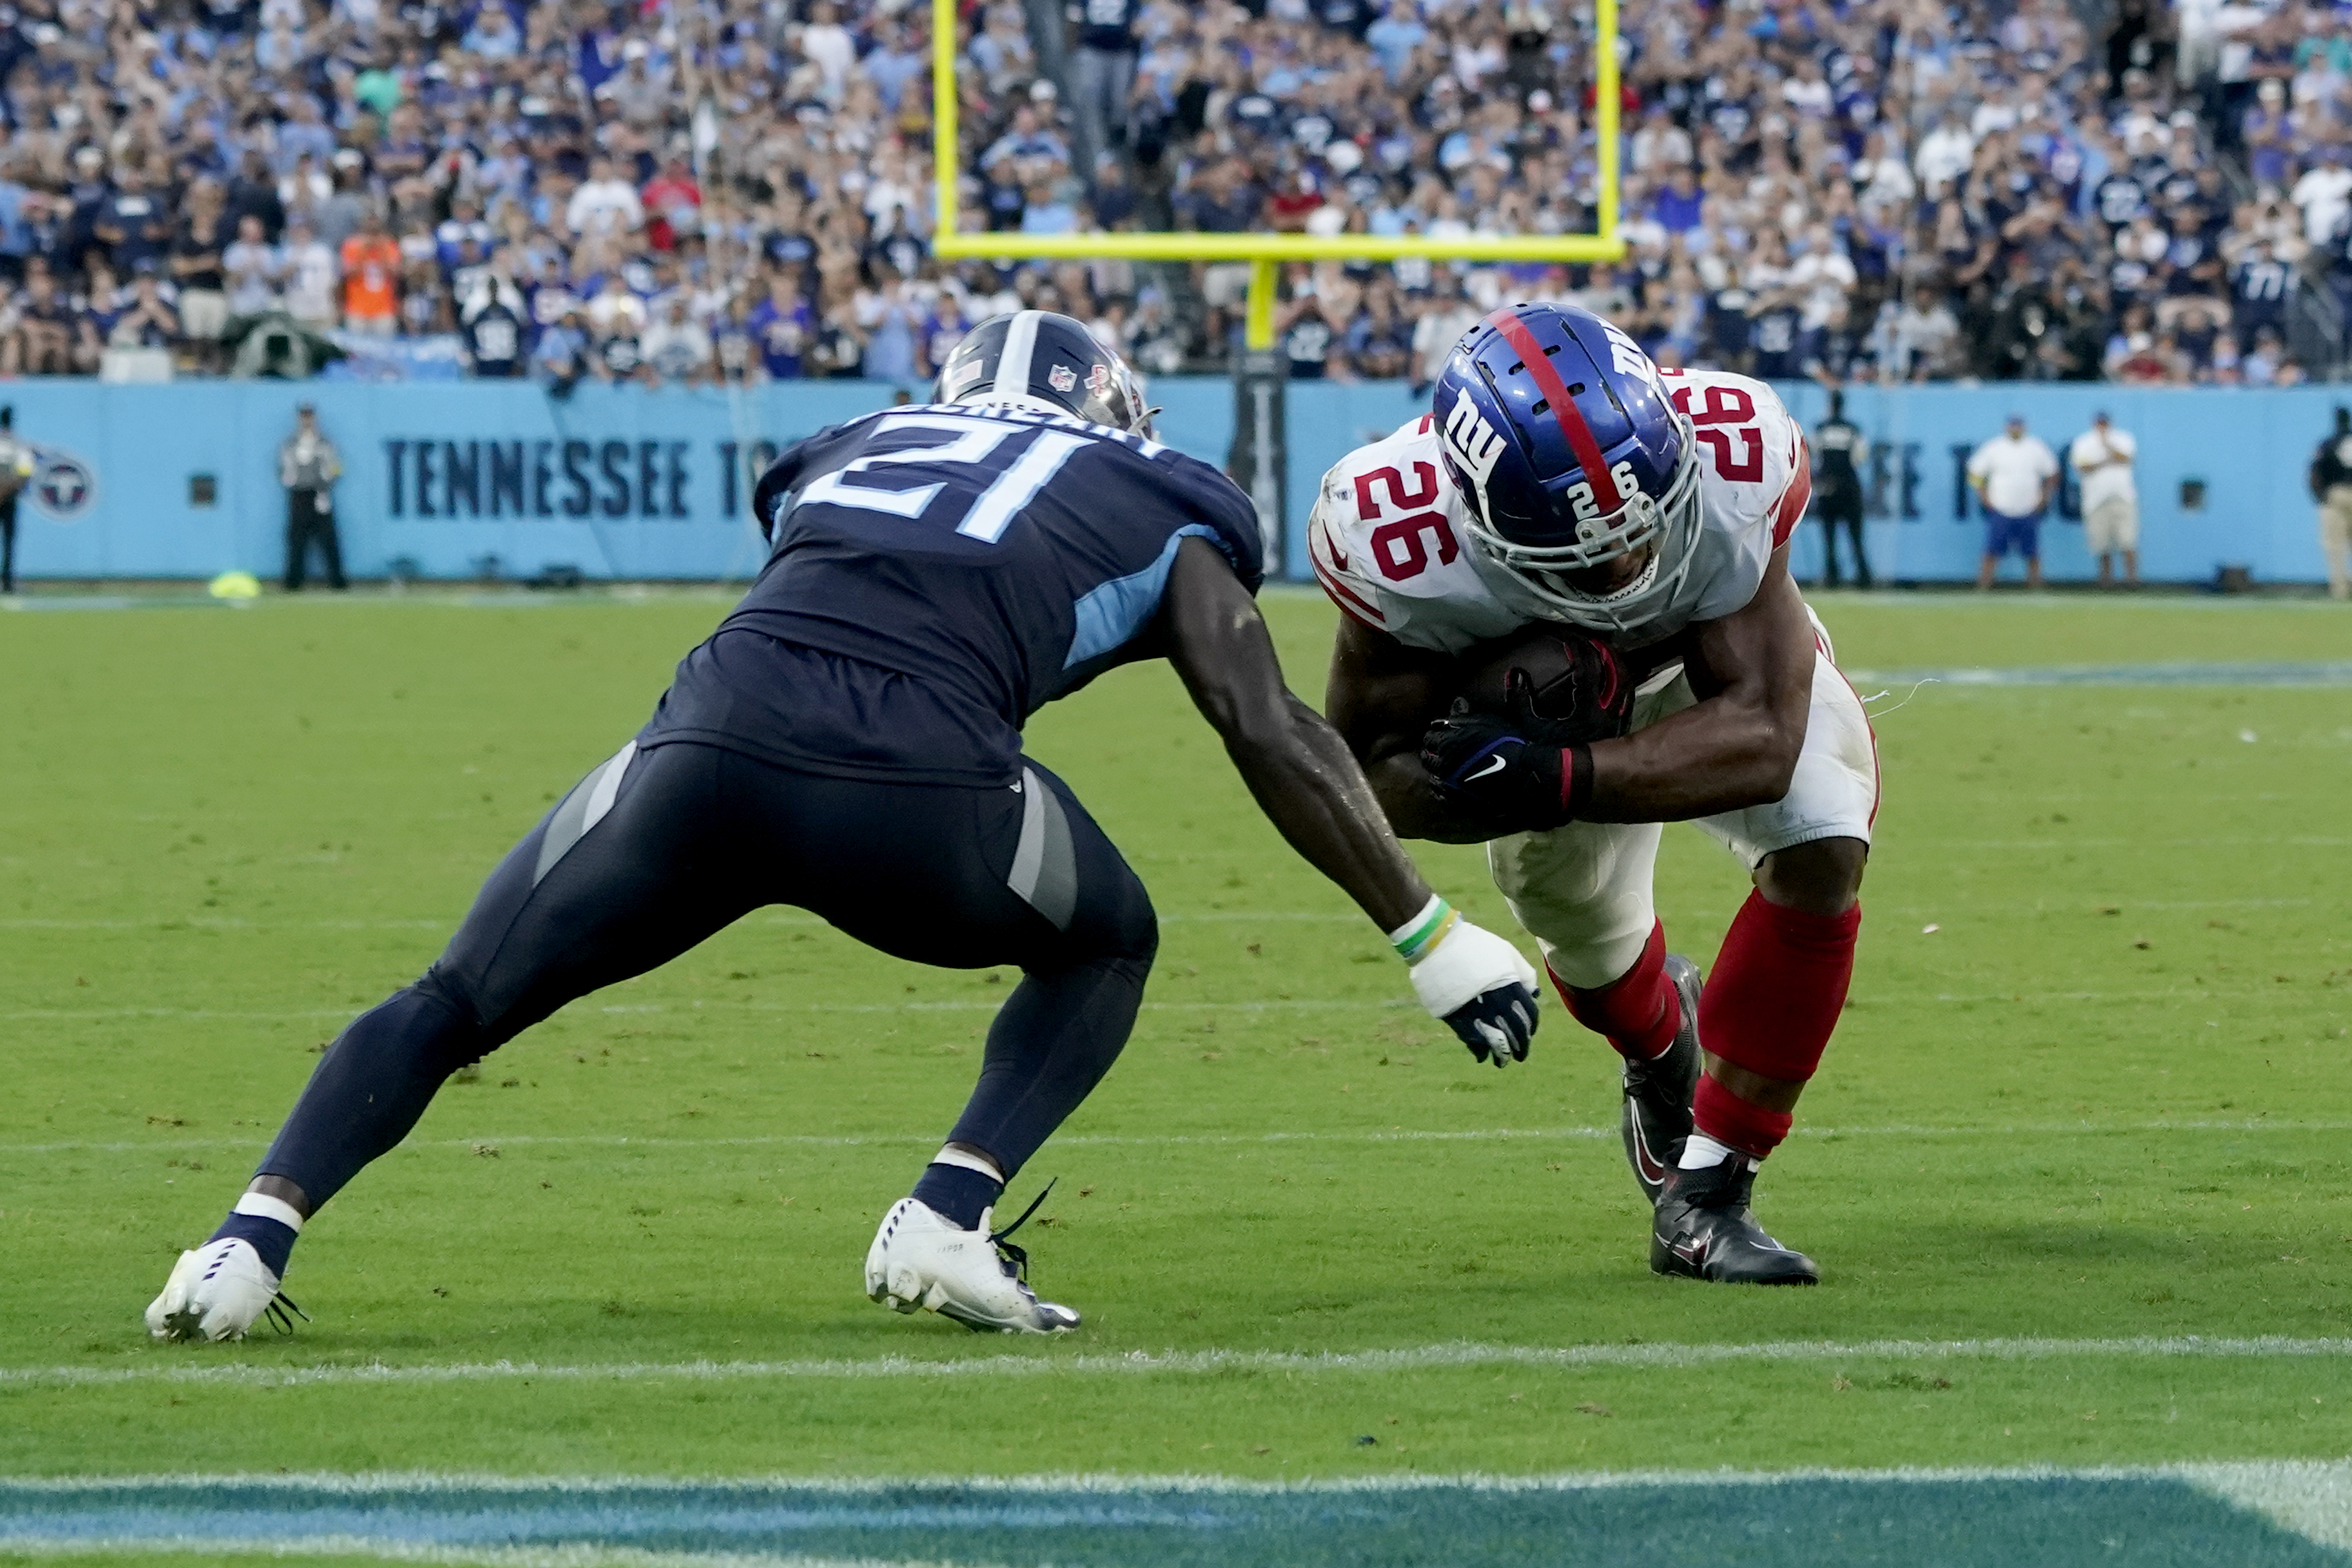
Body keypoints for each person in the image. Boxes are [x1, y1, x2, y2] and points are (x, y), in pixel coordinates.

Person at [146, 313, 1541, 1343]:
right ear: (1122, 407)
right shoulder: (1165, 496)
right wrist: (1424, 930)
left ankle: (242, 1241)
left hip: (698, 754)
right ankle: (947, 1209)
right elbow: (1258, 718)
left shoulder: (847, 444)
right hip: (918, 787)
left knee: (457, 995)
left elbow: (854, 568)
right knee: (1109, 933)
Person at [1312, 303, 1877, 1285]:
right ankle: (1661, 1054)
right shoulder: (1395, 534)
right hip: (1528, 736)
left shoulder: (1733, 453)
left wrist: (1559, 778)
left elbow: (1763, 737)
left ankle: (1708, 1195)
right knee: (1602, 959)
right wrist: (1485, 778)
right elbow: (1371, 770)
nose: (1623, 566)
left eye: (1639, 528)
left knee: (1825, 830)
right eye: (1580, 554)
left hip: (1694, 691)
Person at [1967, 414, 2058, 590]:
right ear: (2007, 428)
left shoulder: (2036, 448)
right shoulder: (1994, 447)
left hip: (2028, 507)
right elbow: (1975, 473)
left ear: (2024, 428)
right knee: (1992, 550)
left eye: (2019, 426)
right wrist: (1984, 496)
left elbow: (2052, 474)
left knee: (2032, 552)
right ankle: (1985, 585)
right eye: (2013, 426)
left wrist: (2045, 498)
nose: (2015, 429)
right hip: (2001, 506)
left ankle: (2036, 586)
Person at [2069, 411, 2140, 588]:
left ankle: (2132, 580)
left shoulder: (2123, 438)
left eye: (2105, 423)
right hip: (2095, 499)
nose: (2103, 427)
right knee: (2102, 543)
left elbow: (2126, 458)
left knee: (2128, 540)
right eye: (2100, 423)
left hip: (2122, 496)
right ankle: (2106, 581)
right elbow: (2082, 466)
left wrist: (2107, 445)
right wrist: (2105, 461)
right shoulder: (2084, 442)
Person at [279, 404, 345, 592]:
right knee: (296, 539)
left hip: (320, 493)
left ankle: (337, 580)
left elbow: (335, 467)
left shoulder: (325, 443)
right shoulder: (291, 444)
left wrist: (325, 486)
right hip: (299, 495)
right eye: (303, 417)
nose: (307, 421)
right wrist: (292, 483)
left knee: (329, 538)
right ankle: (293, 581)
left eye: (310, 417)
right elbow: (284, 470)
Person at [1811, 390, 1871, 588]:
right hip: (1849, 485)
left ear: (1830, 406)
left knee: (1829, 536)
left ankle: (1832, 577)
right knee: (1856, 535)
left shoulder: (1821, 429)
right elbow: (1860, 457)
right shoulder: (1853, 429)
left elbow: (1814, 454)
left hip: (1828, 485)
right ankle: (1863, 577)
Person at [2310, 406, 2352, 601]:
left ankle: (2341, 590)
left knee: (2334, 546)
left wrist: (2319, 496)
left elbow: (2315, 471)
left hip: (2336, 495)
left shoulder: (2328, 444)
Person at [0, 407, 34, 594]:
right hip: (10, 497)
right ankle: (7, 582)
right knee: (9, 541)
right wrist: (9, 489)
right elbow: (26, 471)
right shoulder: (17, 444)